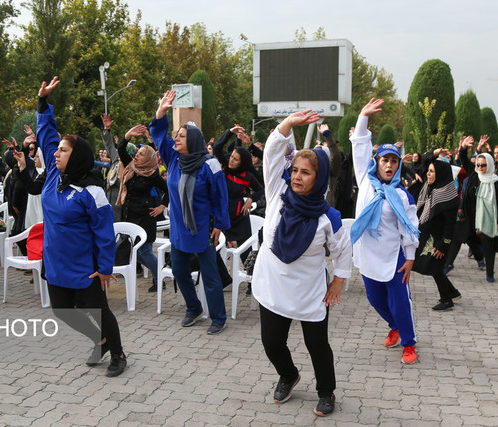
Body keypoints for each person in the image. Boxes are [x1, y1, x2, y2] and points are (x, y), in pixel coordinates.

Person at [251, 110, 352, 416]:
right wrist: (288, 124)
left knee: (317, 346)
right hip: (272, 284)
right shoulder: (278, 192)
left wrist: (338, 280)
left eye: (305, 172)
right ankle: (288, 374)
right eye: (294, 170)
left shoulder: (328, 217)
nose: (296, 176)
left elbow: (343, 250)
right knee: (271, 342)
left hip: (309, 291)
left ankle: (326, 391)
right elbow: (271, 152)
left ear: (318, 177)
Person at [36, 76, 127, 377]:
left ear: (76, 155)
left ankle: (118, 353)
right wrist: (43, 103)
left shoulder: (93, 191)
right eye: (58, 150)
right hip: (55, 263)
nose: (56, 153)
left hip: (84, 267)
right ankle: (98, 341)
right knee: (62, 310)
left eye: (63, 151)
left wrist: (105, 268)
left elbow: (104, 232)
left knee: (100, 311)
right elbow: (47, 136)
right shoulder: (53, 177)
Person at [149, 90, 230, 335]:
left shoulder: (209, 164)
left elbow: (220, 197)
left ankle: (218, 317)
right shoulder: (174, 160)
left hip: (203, 228)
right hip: (179, 228)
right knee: (179, 271)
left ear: (193, 139)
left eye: (182, 136)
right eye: (177, 135)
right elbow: (159, 134)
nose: (177, 139)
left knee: (210, 275)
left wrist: (219, 225)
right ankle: (193, 309)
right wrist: (161, 110)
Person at [349, 99, 420, 365]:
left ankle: (409, 342)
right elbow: (358, 147)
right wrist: (363, 116)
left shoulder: (402, 195)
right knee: (375, 299)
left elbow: (409, 229)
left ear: (398, 165)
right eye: (384, 160)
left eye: (393, 161)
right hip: (368, 254)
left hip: (395, 257)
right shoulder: (365, 182)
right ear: (377, 162)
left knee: (401, 303)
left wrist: (410, 258)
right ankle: (395, 326)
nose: (388, 166)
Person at [116, 124, 168, 293]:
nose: (137, 156)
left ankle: (159, 277)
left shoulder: (152, 174)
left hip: (145, 217)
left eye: (141, 154)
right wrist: (128, 135)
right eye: (137, 153)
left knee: (144, 251)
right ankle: (159, 274)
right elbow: (121, 149)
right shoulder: (131, 166)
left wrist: (162, 206)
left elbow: (169, 190)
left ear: (149, 159)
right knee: (135, 252)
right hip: (129, 215)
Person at [412, 157, 461, 310]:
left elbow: (450, 226)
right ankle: (452, 292)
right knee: (433, 269)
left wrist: (443, 245)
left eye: (432, 172)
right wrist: (433, 154)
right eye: (429, 171)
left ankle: (446, 300)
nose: (428, 174)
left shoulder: (448, 196)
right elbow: (423, 162)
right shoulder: (430, 188)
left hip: (439, 240)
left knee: (435, 269)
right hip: (427, 236)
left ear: (440, 174)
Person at [213, 125, 264, 258]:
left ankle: (250, 277)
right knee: (215, 249)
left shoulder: (248, 176)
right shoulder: (226, 166)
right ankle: (221, 278)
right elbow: (217, 147)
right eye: (231, 157)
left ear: (242, 162)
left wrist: (251, 200)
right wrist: (230, 132)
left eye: (235, 159)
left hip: (240, 216)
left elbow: (261, 190)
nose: (231, 160)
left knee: (245, 252)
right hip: (222, 214)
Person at [458, 137, 498, 282]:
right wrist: (463, 147)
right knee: (465, 237)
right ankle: (477, 257)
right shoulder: (475, 175)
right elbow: (464, 160)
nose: (480, 168)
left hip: (489, 218)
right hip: (472, 216)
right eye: (478, 165)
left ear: (489, 165)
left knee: (489, 246)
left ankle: (490, 272)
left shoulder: (496, 182)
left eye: (483, 165)